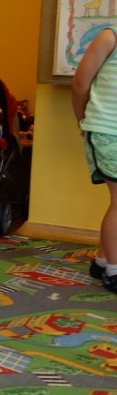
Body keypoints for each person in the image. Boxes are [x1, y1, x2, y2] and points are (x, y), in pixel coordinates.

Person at [71, 24, 117, 294]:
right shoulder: (109, 37)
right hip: (107, 131)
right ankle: (114, 270)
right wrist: (82, 120)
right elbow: (80, 84)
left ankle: (102, 262)